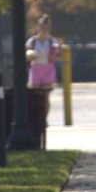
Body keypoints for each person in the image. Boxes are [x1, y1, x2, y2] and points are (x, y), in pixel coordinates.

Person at [26, 15, 60, 144]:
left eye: (46, 27)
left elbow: (55, 55)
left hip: (47, 69)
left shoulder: (52, 42)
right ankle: (35, 118)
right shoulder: (32, 41)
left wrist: (54, 54)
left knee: (45, 97)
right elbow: (28, 54)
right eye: (42, 27)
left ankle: (43, 119)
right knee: (34, 95)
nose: (44, 29)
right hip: (35, 69)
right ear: (38, 27)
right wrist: (30, 55)